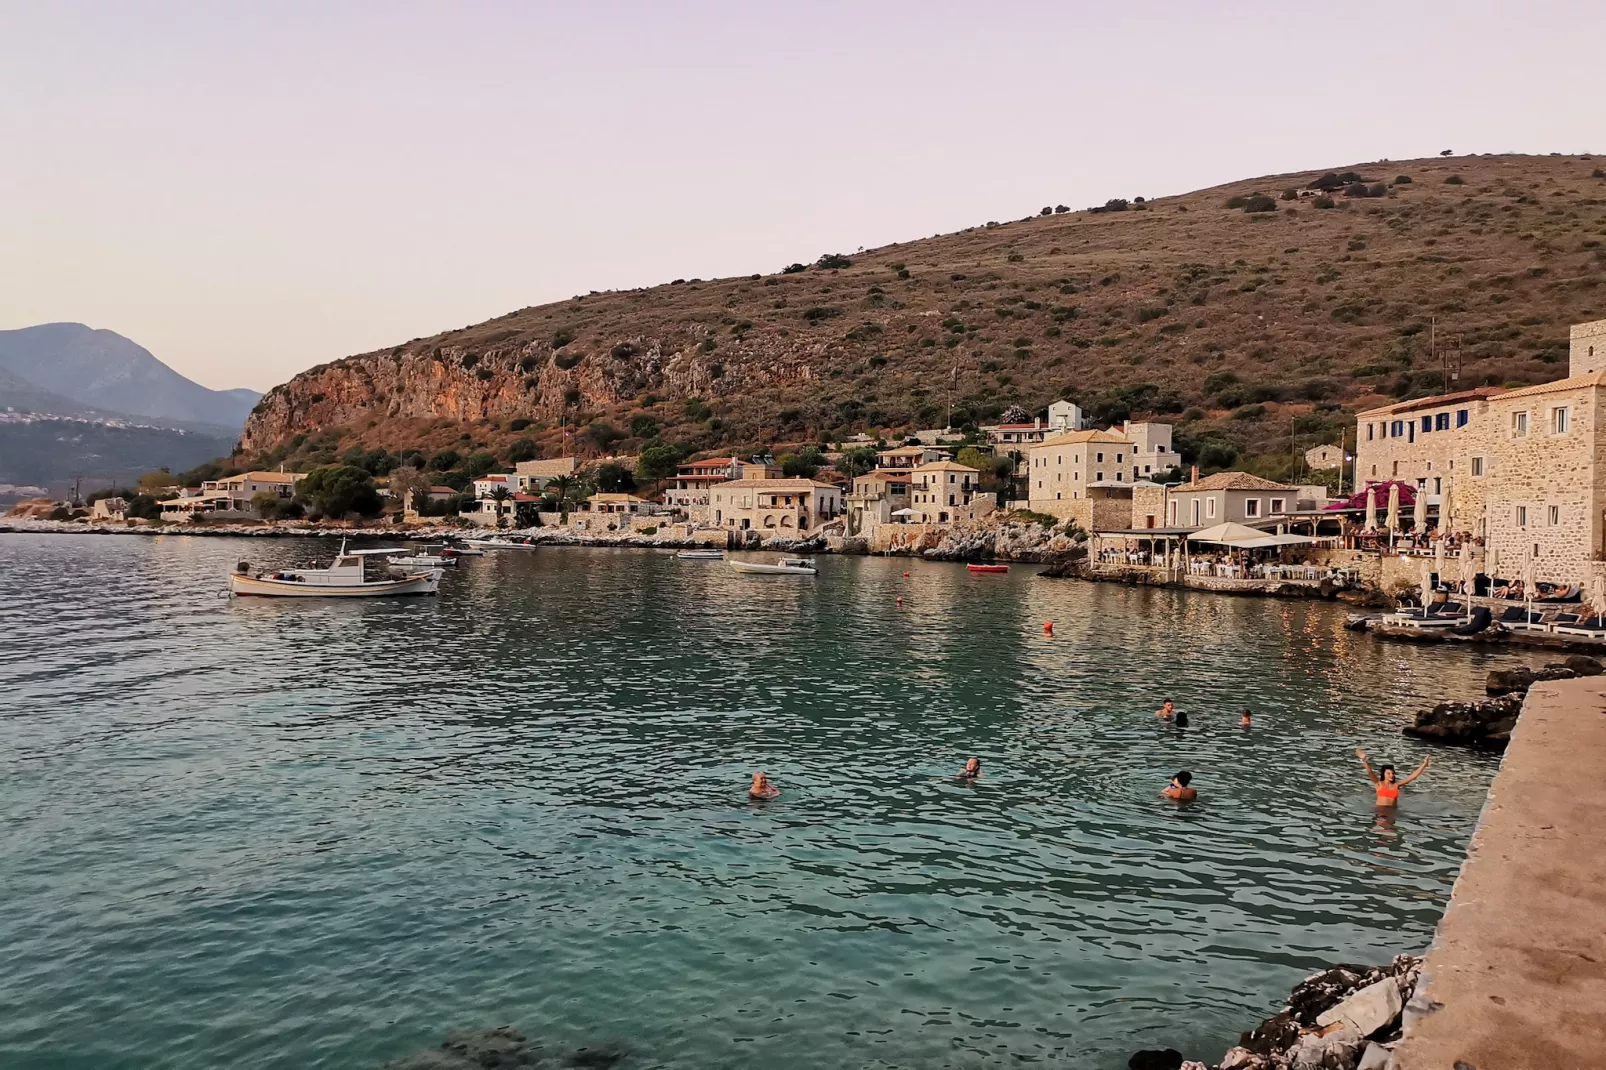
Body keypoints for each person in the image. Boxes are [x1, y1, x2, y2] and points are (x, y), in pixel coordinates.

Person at [1356, 749, 1430, 806]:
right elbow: (1370, 772)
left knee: (1390, 826)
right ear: (1383, 774)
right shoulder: (1378, 783)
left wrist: (1424, 764)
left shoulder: (1396, 785)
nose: (1391, 775)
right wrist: (1364, 760)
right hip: (1380, 811)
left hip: (1392, 812)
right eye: (1388, 773)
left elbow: (1413, 776)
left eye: (1392, 773)